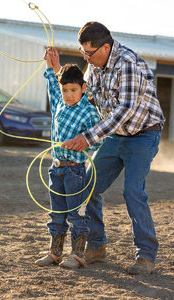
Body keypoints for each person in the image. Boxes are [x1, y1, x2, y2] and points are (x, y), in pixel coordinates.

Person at [52, 22, 165, 275]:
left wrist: (88, 137)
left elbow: (124, 111)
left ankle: (145, 256)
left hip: (144, 134)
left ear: (105, 47)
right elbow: (84, 94)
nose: (86, 58)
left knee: (133, 192)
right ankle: (97, 246)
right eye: (83, 53)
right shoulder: (94, 65)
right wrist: (57, 70)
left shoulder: (128, 64)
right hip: (115, 135)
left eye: (89, 53)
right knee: (88, 184)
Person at [35, 50, 101, 269]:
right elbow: (52, 86)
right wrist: (52, 65)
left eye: (74, 89)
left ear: (83, 88)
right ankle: (55, 252)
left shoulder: (89, 112)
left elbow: (98, 140)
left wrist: (81, 142)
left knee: (77, 213)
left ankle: (78, 254)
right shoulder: (59, 104)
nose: (69, 94)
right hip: (56, 169)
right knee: (56, 213)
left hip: (76, 171)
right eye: (65, 90)